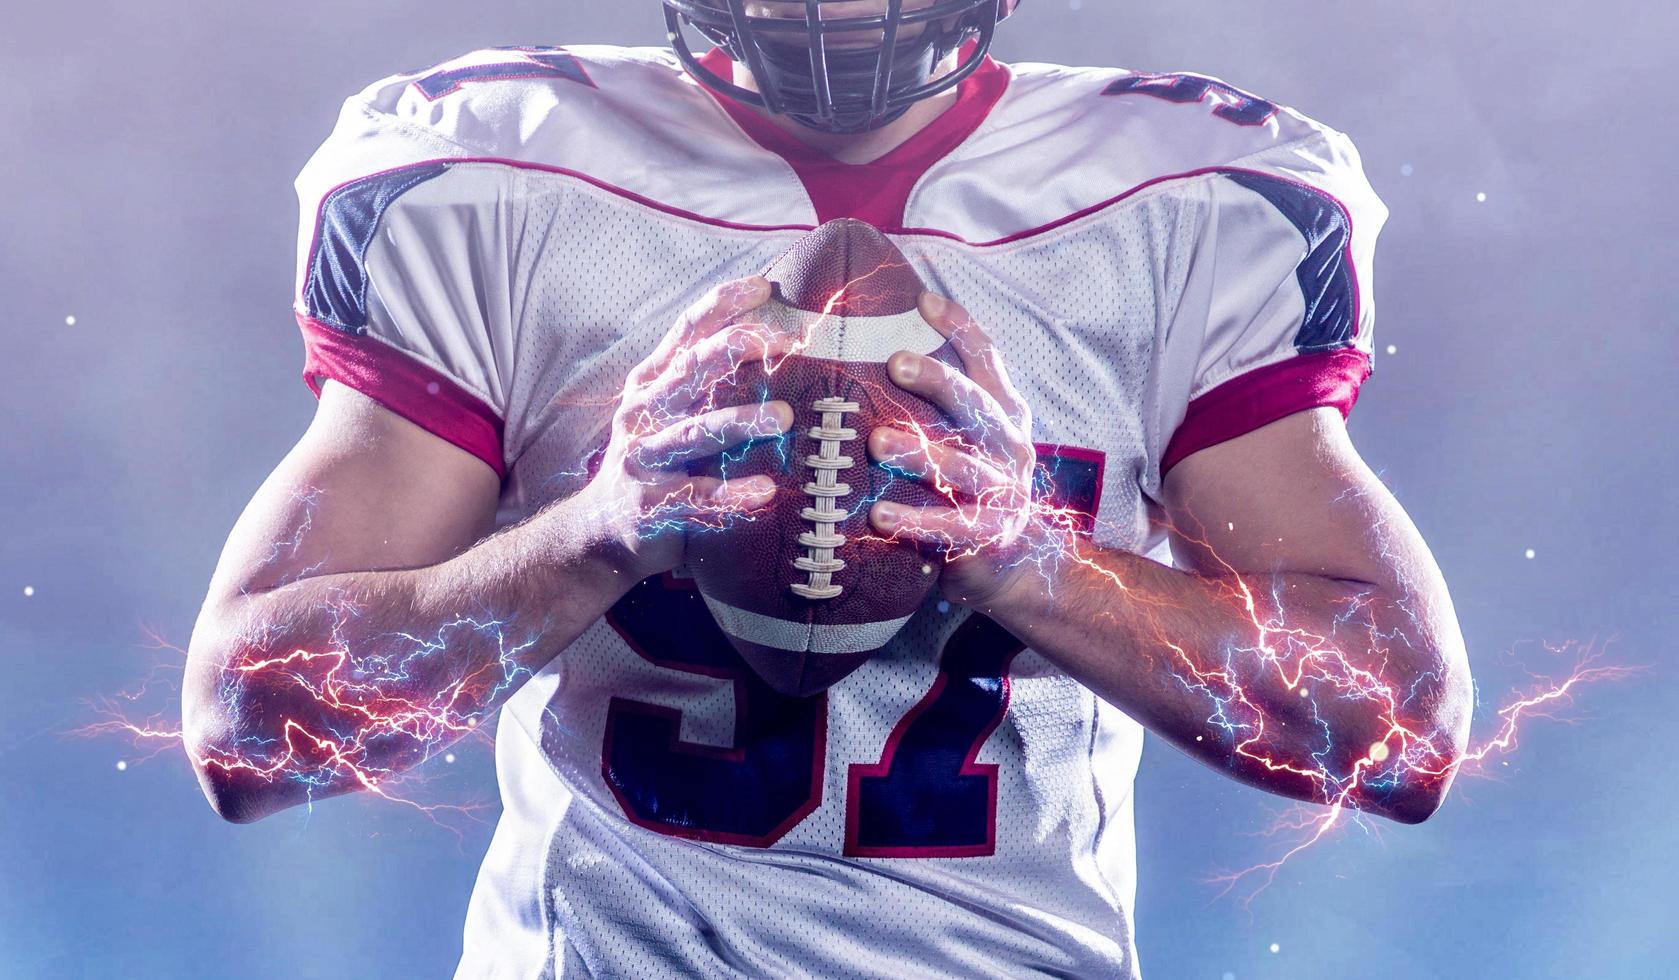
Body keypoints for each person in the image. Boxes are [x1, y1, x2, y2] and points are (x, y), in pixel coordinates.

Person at [182, 1, 1475, 975]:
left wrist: (1031, 559)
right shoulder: (490, 171)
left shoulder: (1190, 198)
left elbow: (1393, 734)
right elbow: (250, 735)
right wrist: (601, 531)